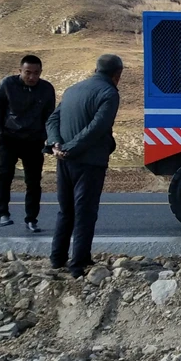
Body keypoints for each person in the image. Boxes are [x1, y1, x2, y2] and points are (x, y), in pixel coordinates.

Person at [46, 54, 123, 278]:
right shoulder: (109, 93)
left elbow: (52, 119)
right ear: (117, 75)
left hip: (64, 161)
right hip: (89, 162)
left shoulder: (73, 90)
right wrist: (70, 147)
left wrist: (56, 144)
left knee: (65, 210)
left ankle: (57, 258)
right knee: (85, 213)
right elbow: (97, 128)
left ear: (96, 69)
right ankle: (78, 264)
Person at [0, 54, 56, 232]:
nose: (32, 77)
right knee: (4, 176)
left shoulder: (46, 89)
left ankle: (31, 219)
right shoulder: (7, 84)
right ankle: (2, 213)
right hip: (9, 138)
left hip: (34, 141)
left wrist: (48, 138)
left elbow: (50, 116)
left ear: (41, 72)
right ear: (20, 71)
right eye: (28, 72)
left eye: (36, 73)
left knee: (33, 181)